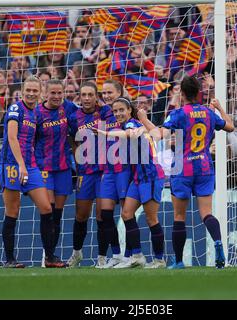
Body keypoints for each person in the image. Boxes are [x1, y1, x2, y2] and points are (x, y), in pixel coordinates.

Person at [138, 75, 234, 269]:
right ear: (199, 92)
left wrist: (144, 120)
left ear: (182, 94)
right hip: (205, 167)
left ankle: (179, 262)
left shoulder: (178, 113)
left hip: (183, 169)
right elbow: (230, 127)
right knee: (206, 213)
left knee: (179, 217)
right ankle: (218, 244)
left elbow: (159, 135)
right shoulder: (208, 112)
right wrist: (221, 109)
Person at [95, 97, 166, 269]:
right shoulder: (133, 125)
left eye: (121, 110)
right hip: (138, 177)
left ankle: (159, 259)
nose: (118, 113)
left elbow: (128, 134)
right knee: (126, 214)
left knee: (151, 219)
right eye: (115, 111)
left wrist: (105, 133)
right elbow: (156, 134)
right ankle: (137, 256)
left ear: (129, 110)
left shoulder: (131, 125)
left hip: (150, 176)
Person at [0, 76, 55, 268]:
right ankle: (9, 259)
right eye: (28, 90)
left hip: (30, 166)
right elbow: (12, 138)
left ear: (41, 93)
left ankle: (49, 258)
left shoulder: (36, 114)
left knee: (46, 208)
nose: (31, 93)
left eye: (35, 91)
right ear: (22, 91)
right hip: (12, 166)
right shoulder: (15, 109)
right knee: (12, 211)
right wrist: (21, 165)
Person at [66, 81, 113, 267]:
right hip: (86, 172)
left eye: (90, 95)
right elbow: (72, 140)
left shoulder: (105, 112)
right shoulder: (73, 117)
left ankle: (102, 257)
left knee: (102, 215)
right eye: (83, 95)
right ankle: (77, 253)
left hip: (103, 170)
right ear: (79, 96)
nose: (86, 98)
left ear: (96, 96)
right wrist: (78, 164)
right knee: (81, 215)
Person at [35, 79, 78, 267]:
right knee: (48, 211)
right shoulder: (37, 113)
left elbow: (83, 119)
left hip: (63, 168)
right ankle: (49, 255)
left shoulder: (68, 108)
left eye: (59, 93)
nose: (57, 96)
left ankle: (51, 256)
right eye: (53, 93)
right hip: (44, 168)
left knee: (58, 214)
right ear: (45, 93)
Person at [95, 79, 127, 268]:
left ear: (119, 92)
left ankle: (131, 254)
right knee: (105, 214)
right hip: (108, 170)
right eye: (104, 93)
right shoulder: (105, 114)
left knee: (127, 214)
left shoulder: (128, 114)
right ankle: (116, 254)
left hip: (124, 170)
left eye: (110, 93)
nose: (106, 96)